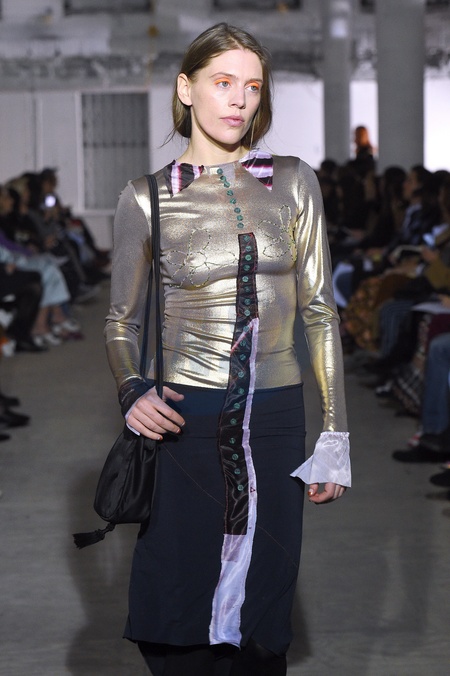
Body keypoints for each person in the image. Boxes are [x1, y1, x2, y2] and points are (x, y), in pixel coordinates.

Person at [104, 23, 350, 676]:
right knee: (177, 599)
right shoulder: (146, 197)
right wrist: (131, 389)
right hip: (186, 417)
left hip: (275, 416)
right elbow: (120, 322)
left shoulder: (293, 181)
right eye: (222, 82)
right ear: (186, 89)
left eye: (253, 86)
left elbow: (320, 311)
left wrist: (334, 432)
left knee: (264, 607)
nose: (239, 99)